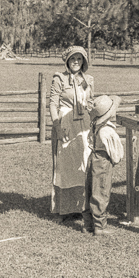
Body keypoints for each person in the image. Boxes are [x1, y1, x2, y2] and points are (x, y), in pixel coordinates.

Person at [48, 45, 94, 224]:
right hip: (65, 122)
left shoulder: (87, 79)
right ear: (67, 61)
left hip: (84, 125)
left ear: (84, 61)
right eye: (73, 58)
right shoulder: (60, 78)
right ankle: (62, 209)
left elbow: (90, 102)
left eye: (79, 58)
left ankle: (81, 207)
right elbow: (53, 103)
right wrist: (57, 126)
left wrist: (93, 124)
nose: (76, 61)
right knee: (65, 165)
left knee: (83, 164)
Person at [83, 94, 124, 236]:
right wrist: (115, 159)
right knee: (101, 190)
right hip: (103, 160)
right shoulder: (107, 130)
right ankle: (100, 226)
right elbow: (116, 152)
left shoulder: (96, 126)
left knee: (90, 189)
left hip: (93, 157)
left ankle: (88, 223)